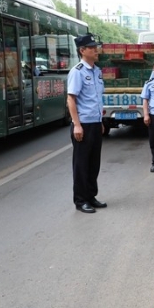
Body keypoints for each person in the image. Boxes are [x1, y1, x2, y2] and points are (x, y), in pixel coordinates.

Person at [67, 34, 106, 214]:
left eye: (95, 47)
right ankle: (81, 200)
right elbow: (71, 99)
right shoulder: (78, 71)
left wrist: (100, 121)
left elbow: (96, 99)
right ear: (82, 51)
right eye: (91, 47)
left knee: (93, 163)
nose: (95, 50)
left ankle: (91, 196)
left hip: (95, 123)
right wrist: (77, 125)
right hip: (83, 124)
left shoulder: (97, 71)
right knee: (81, 164)